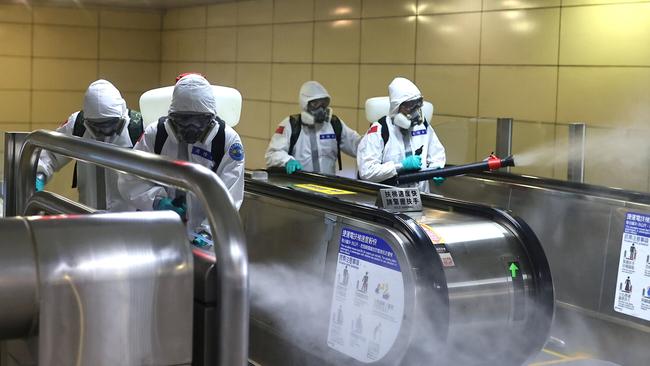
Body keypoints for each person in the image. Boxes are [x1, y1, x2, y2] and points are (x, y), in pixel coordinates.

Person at [118, 74, 244, 233]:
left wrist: (207, 232)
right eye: (184, 120)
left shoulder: (226, 140)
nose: (191, 127)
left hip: (208, 236)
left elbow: (229, 196)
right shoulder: (156, 134)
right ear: (172, 116)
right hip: (161, 229)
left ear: (211, 118)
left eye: (199, 121)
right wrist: (157, 202)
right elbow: (129, 177)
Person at [36, 79, 144, 211]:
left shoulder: (138, 128)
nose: (104, 132)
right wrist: (38, 176)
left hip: (131, 219)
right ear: (87, 120)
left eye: (110, 124)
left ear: (121, 115)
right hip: (88, 214)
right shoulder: (77, 126)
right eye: (97, 127)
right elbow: (50, 154)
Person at [357, 77, 446, 193]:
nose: (415, 111)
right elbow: (367, 171)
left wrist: (437, 169)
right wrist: (400, 166)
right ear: (397, 107)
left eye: (418, 104)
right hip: (390, 200)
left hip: (421, 197)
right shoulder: (379, 130)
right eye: (410, 106)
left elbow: (437, 154)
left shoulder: (423, 126)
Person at [265, 81, 361, 175]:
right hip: (297, 185)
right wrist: (286, 161)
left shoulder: (334, 124)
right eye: (315, 104)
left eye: (323, 104)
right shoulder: (291, 125)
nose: (320, 109)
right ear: (305, 104)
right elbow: (272, 154)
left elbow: (357, 145)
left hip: (328, 185)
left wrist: (372, 137)